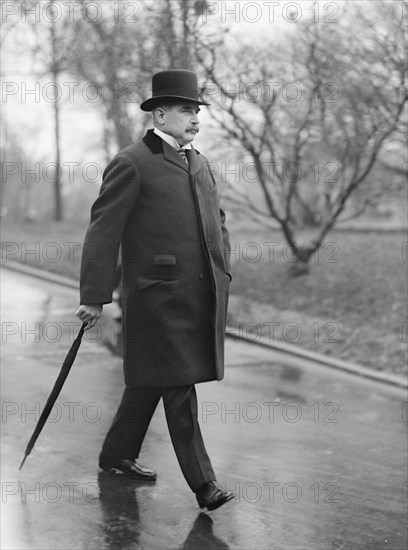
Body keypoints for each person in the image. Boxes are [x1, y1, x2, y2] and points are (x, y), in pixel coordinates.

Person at [76, 69, 233, 511]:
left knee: (149, 382)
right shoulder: (132, 162)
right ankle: (205, 486)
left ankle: (116, 456)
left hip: (197, 295)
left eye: (197, 111)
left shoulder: (198, 162)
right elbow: (103, 233)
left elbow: (216, 223)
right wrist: (94, 296)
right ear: (160, 113)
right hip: (155, 298)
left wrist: (224, 271)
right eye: (186, 110)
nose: (195, 118)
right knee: (179, 385)